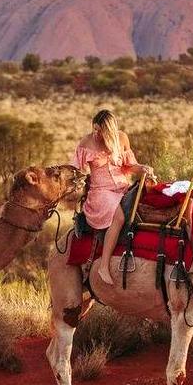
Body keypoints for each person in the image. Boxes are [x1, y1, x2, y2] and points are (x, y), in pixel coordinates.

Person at [72, 110, 153, 284]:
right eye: (94, 129)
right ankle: (103, 266)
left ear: (109, 131)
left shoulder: (122, 138)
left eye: (99, 130)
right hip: (100, 192)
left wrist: (143, 168)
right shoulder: (87, 142)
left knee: (148, 202)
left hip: (122, 188)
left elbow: (130, 166)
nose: (96, 133)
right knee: (119, 214)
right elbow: (75, 169)